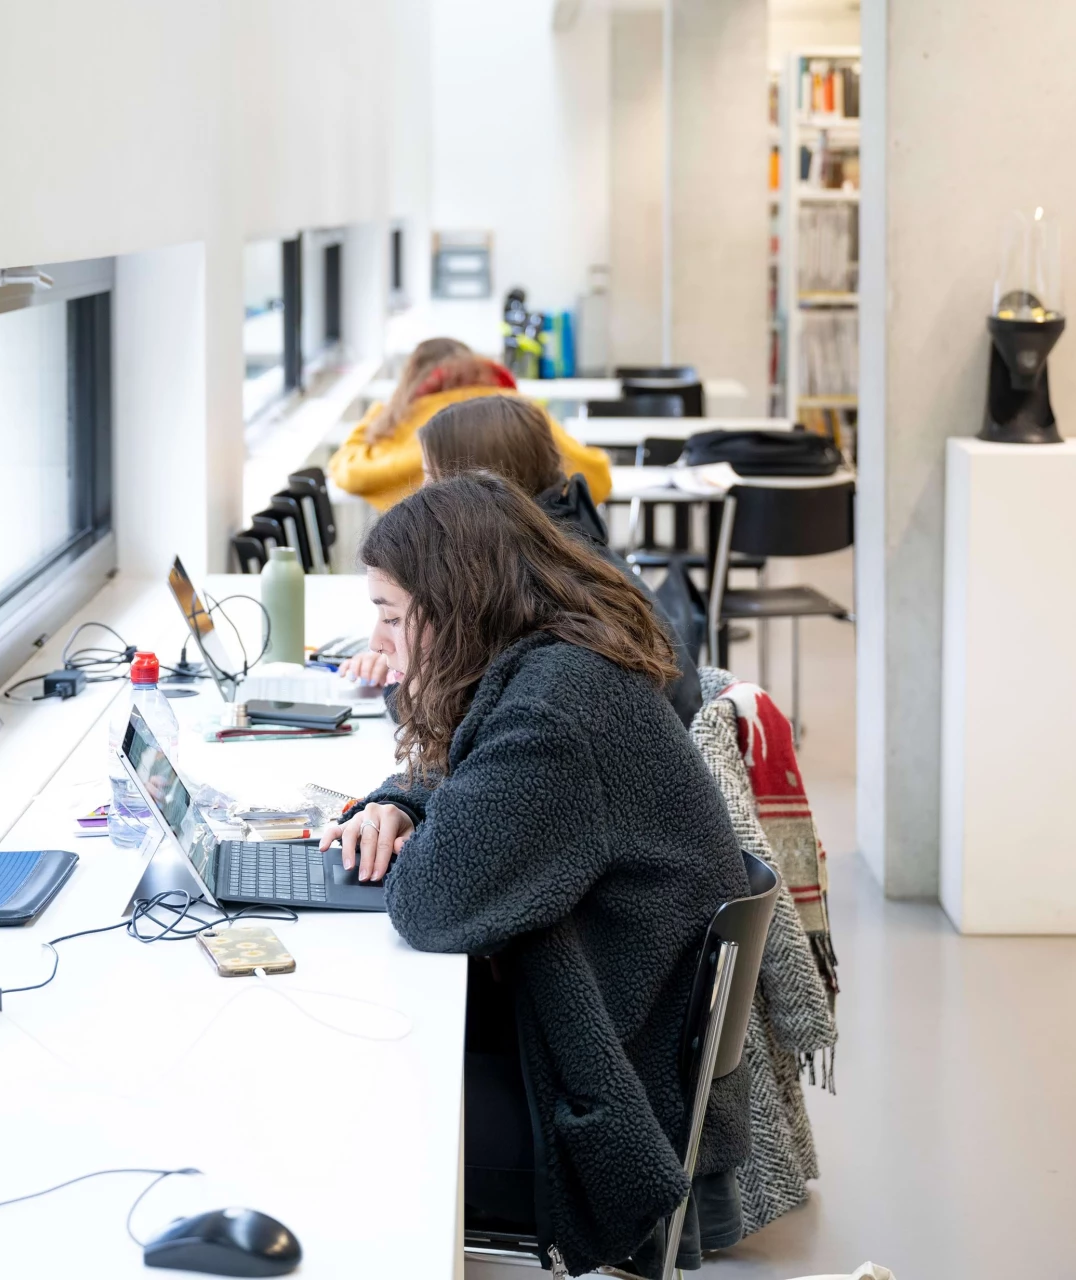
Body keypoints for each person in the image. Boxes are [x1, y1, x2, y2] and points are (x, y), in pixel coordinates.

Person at [320, 474, 750, 1277]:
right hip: (603, 1029)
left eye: (390, 616)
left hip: (600, 1105)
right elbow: (475, 774)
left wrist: (415, 719)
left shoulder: (555, 713)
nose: (381, 644)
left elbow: (433, 905)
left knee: (334, 1108)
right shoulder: (557, 663)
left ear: (456, 604)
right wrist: (403, 801)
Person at [416, 392, 703, 727]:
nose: (423, 492)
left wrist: (402, 676)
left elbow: (452, 710)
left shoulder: (531, 576)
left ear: (477, 484)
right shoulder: (566, 539)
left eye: (431, 477)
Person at [328, 337, 611, 511]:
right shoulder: (515, 406)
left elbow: (349, 469)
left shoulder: (410, 416)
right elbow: (595, 476)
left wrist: (381, 411)